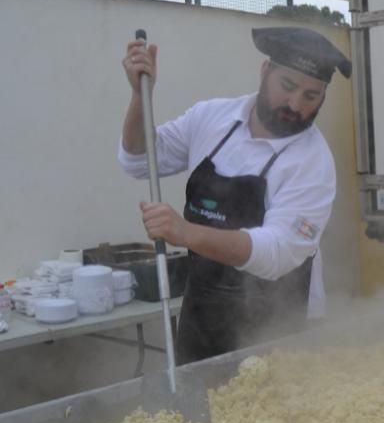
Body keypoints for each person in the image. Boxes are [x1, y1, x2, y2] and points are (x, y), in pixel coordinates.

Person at [119, 26, 351, 364]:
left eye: (311, 96)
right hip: (201, 316)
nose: (295, 104)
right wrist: (141, 96)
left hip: (280, 325)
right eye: (287, 86)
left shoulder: (313, 161)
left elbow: (277, 253)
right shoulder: (211, 118)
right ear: (265, 71)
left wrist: (186, 232)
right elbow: (139, 159)